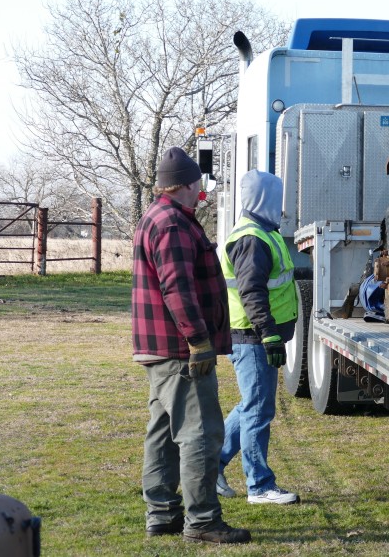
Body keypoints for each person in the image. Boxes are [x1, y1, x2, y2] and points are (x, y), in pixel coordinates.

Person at [132, 147, 250, 544]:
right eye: (198, 181)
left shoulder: (158, 217)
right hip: (180, 349)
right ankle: (202, 522)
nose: (203, 187)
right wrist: (198, 341)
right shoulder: (172, 225)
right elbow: (177, 288)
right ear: (187, 184)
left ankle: (162, 513)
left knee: (163, 432)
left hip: (161, 347)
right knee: (201, 433)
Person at [216, 169, 300, 505]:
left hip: (252, 336)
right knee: (257, 411)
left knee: (252, 405)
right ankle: (260, 486)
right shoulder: (253, 239)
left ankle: (211, 466)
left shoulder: (263, 233)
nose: (280, 206)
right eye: (276, 199)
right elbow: (252, 292)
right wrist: (269, 336)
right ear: (266, 199)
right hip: (252, 338)